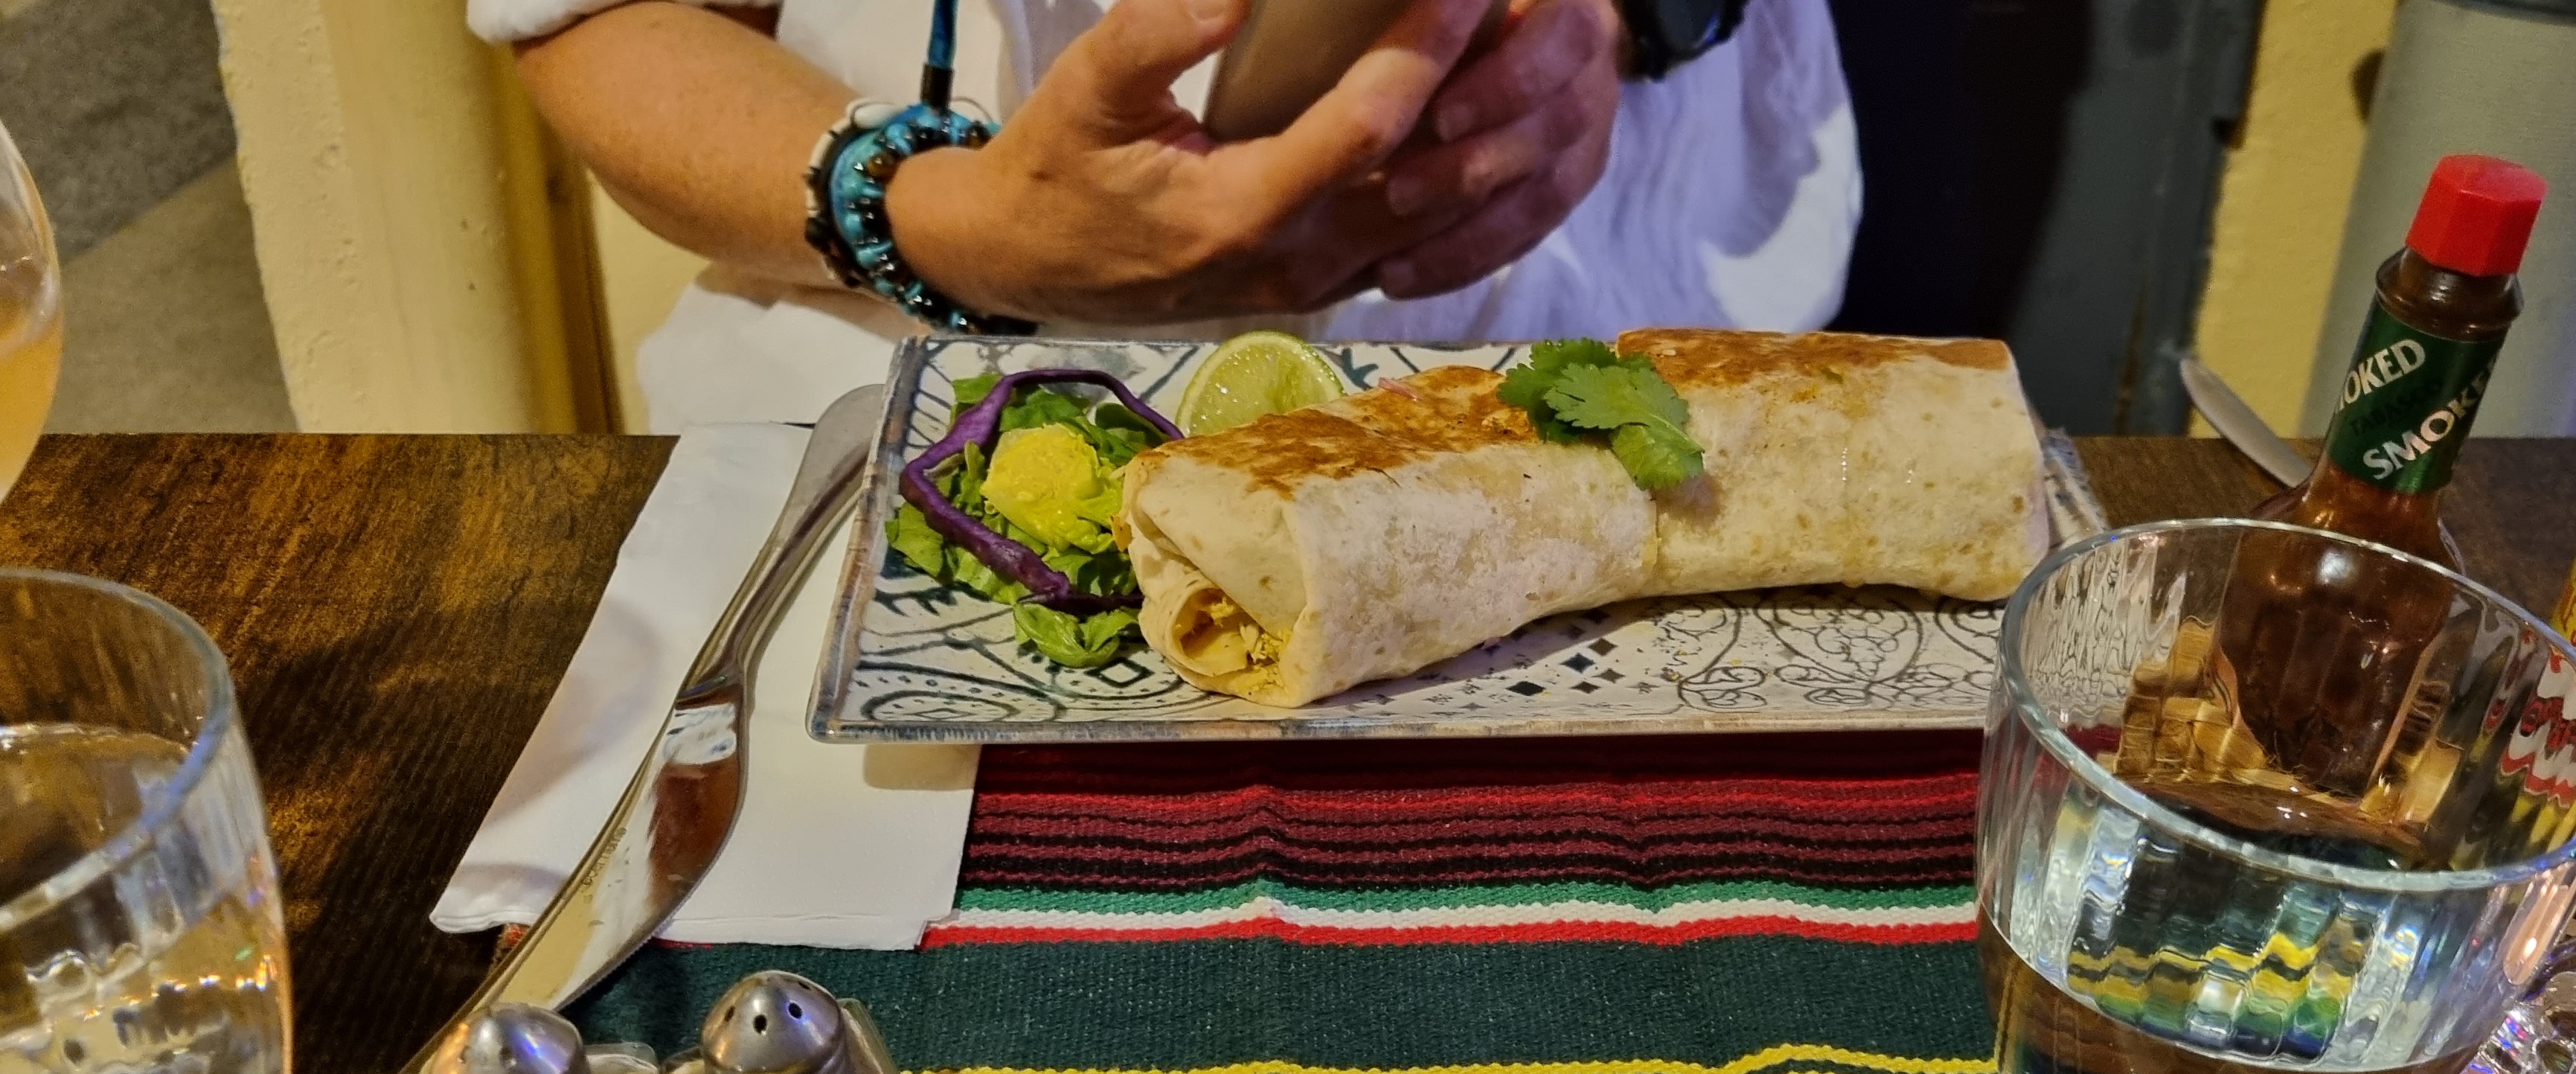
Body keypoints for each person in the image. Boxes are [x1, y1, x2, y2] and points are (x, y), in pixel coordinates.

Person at [470, 0, 1859, 432]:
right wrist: (951, 223)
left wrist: (1631, 19)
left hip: (1617, 358)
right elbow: (600, 18)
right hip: (887, 430)